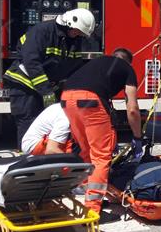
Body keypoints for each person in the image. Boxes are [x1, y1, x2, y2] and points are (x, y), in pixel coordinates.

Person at [60, 48, 142, 214]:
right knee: (100, 157)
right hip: (91, 102)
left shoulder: (96, 63)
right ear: (128, 61)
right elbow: (132, 109)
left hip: (66, 99)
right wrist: (137, 137)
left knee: (86, 152)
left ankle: (85, 194)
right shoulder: (127, 68)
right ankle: (93, 210)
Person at [4, 8, 95, 148]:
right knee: (28, 123)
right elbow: (32, 63)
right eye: (78, 31)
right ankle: (26, 160)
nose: (78, 35)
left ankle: (45, 158)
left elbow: (74, 66)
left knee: (50, 125)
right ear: (69, 23)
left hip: (46, 87)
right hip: (24, 84)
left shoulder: (72, 40)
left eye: (81, 34)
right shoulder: (42, 31)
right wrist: (46, 91)